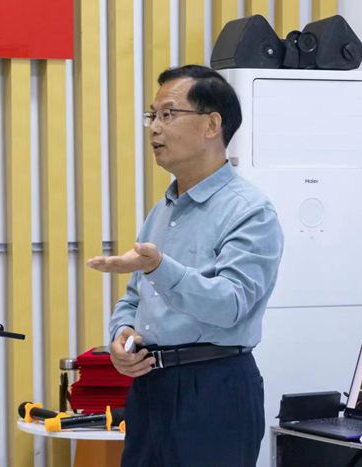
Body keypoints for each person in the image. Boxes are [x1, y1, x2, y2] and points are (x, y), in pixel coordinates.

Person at [87, 65, 283, 467]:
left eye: (168, 114)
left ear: (212, 125)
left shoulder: (250, 211)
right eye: (152, 115)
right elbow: (135, 297)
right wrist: (121, 335)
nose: (155, 128)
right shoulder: (163, 210)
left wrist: (160, 267)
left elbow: (230, 304)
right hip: (150, 387)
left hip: (213, 387)